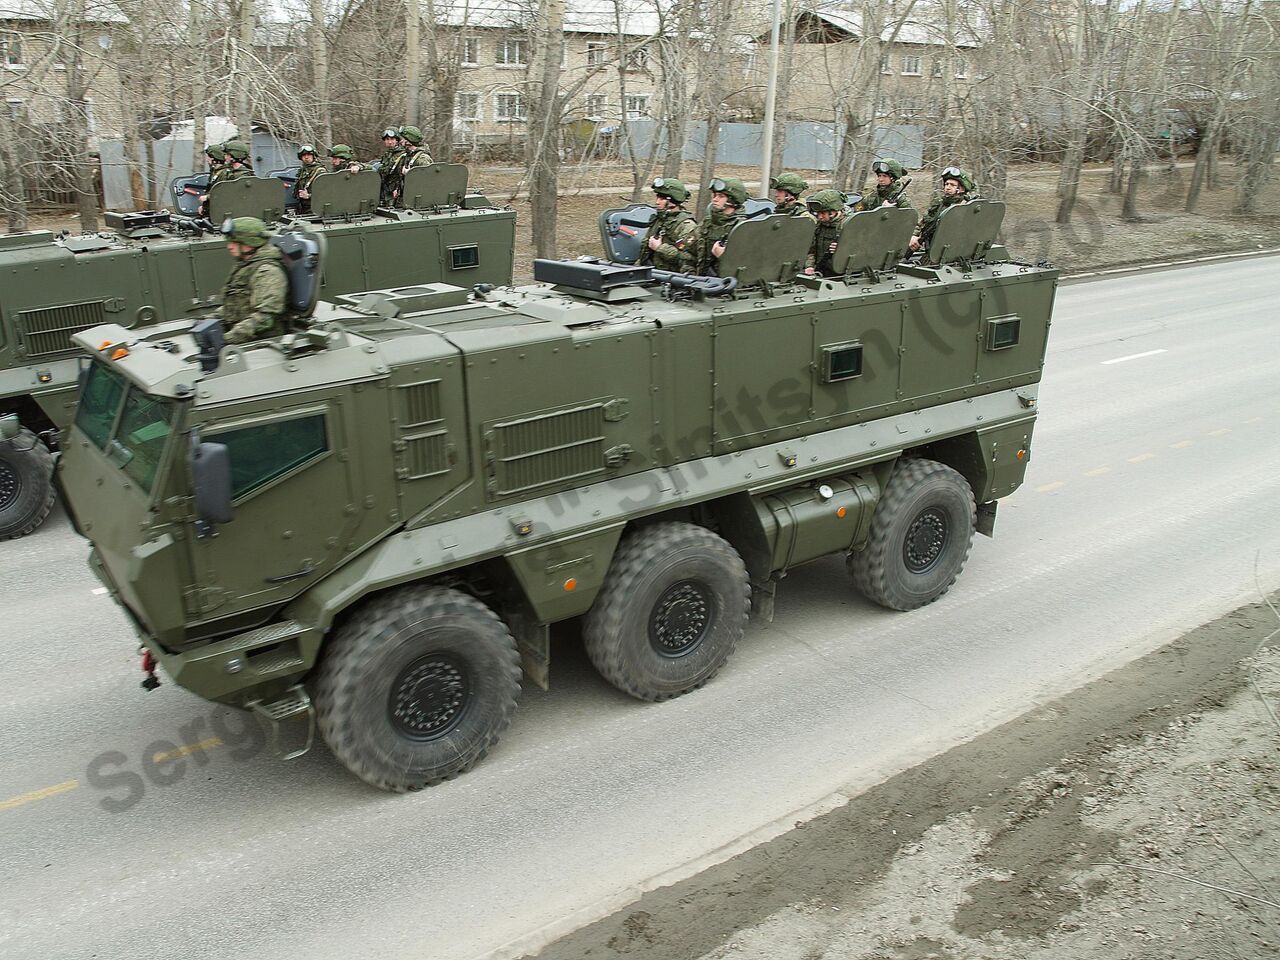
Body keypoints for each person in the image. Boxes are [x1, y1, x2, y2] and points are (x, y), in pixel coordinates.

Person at [216, 217, 289, 345]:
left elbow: (266, 317)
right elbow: (236, 303)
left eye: (234, 242)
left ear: (249, 242)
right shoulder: (247, 265)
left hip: (261, 341)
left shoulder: (267, 272)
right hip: (243, 333)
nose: (229, 247)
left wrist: (227, 339)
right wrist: (212, 319)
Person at [910, 166, 978, 253]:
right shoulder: (939, 204)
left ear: (961, 189)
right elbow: (921, 223)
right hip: (931, 249)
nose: (948, 187)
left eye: (952, 185)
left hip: (952, 252)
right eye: (946, 184)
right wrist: (914, 236)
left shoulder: (966, 207)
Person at [688, 176, 747, 276]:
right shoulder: (708, 223)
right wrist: (689, 273)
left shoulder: (742, 228)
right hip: (700, 283)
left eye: (721, 196)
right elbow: (689, 252)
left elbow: (748, 267)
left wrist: (724, 256)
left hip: (725, 285)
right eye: (714, 195)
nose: (715, 199)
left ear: (732, 200)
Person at [640, 177, 697, 273]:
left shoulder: (686, 225)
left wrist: (660, 248)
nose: (657, 202)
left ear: (673, 200)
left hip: (673, 279)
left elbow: (689, 260)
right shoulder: (659, 220)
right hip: (652, 275)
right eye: (657, 197)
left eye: (662, 198)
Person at [805, 189, 848, 277]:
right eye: (818, 213)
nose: (819, 217)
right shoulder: (818, 226)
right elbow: (811, 249)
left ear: (833, 212)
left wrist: (842, 249)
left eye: (823, 213)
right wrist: (809, 266)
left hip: (841, 275)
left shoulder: (847, 226)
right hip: (820, 273)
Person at [390, 125, 433, 206]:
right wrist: (397, 189)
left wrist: (410, 173)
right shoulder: (406, 156)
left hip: (417, 202)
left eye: (403, 139)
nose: (400, 141)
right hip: (404, 198)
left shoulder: (423, 159)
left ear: (408, 141)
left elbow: (429, 181)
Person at [376, 127, 404, 205]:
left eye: (392, 139)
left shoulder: (402, 155)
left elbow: (402, 175)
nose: (390, 142)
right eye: (387, 139)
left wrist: (398, 189)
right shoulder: (388, 154)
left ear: (397, 140)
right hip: (386, 188)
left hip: (395, 191)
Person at [293, 144, 323, 213]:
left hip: (315, 209)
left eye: (309, 155)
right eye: (304, 155)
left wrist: (309, 196)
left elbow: (326, 193)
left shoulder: (320, 171)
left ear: (313, 156)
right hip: (302, 208)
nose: (306, 157)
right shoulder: (302, 171)